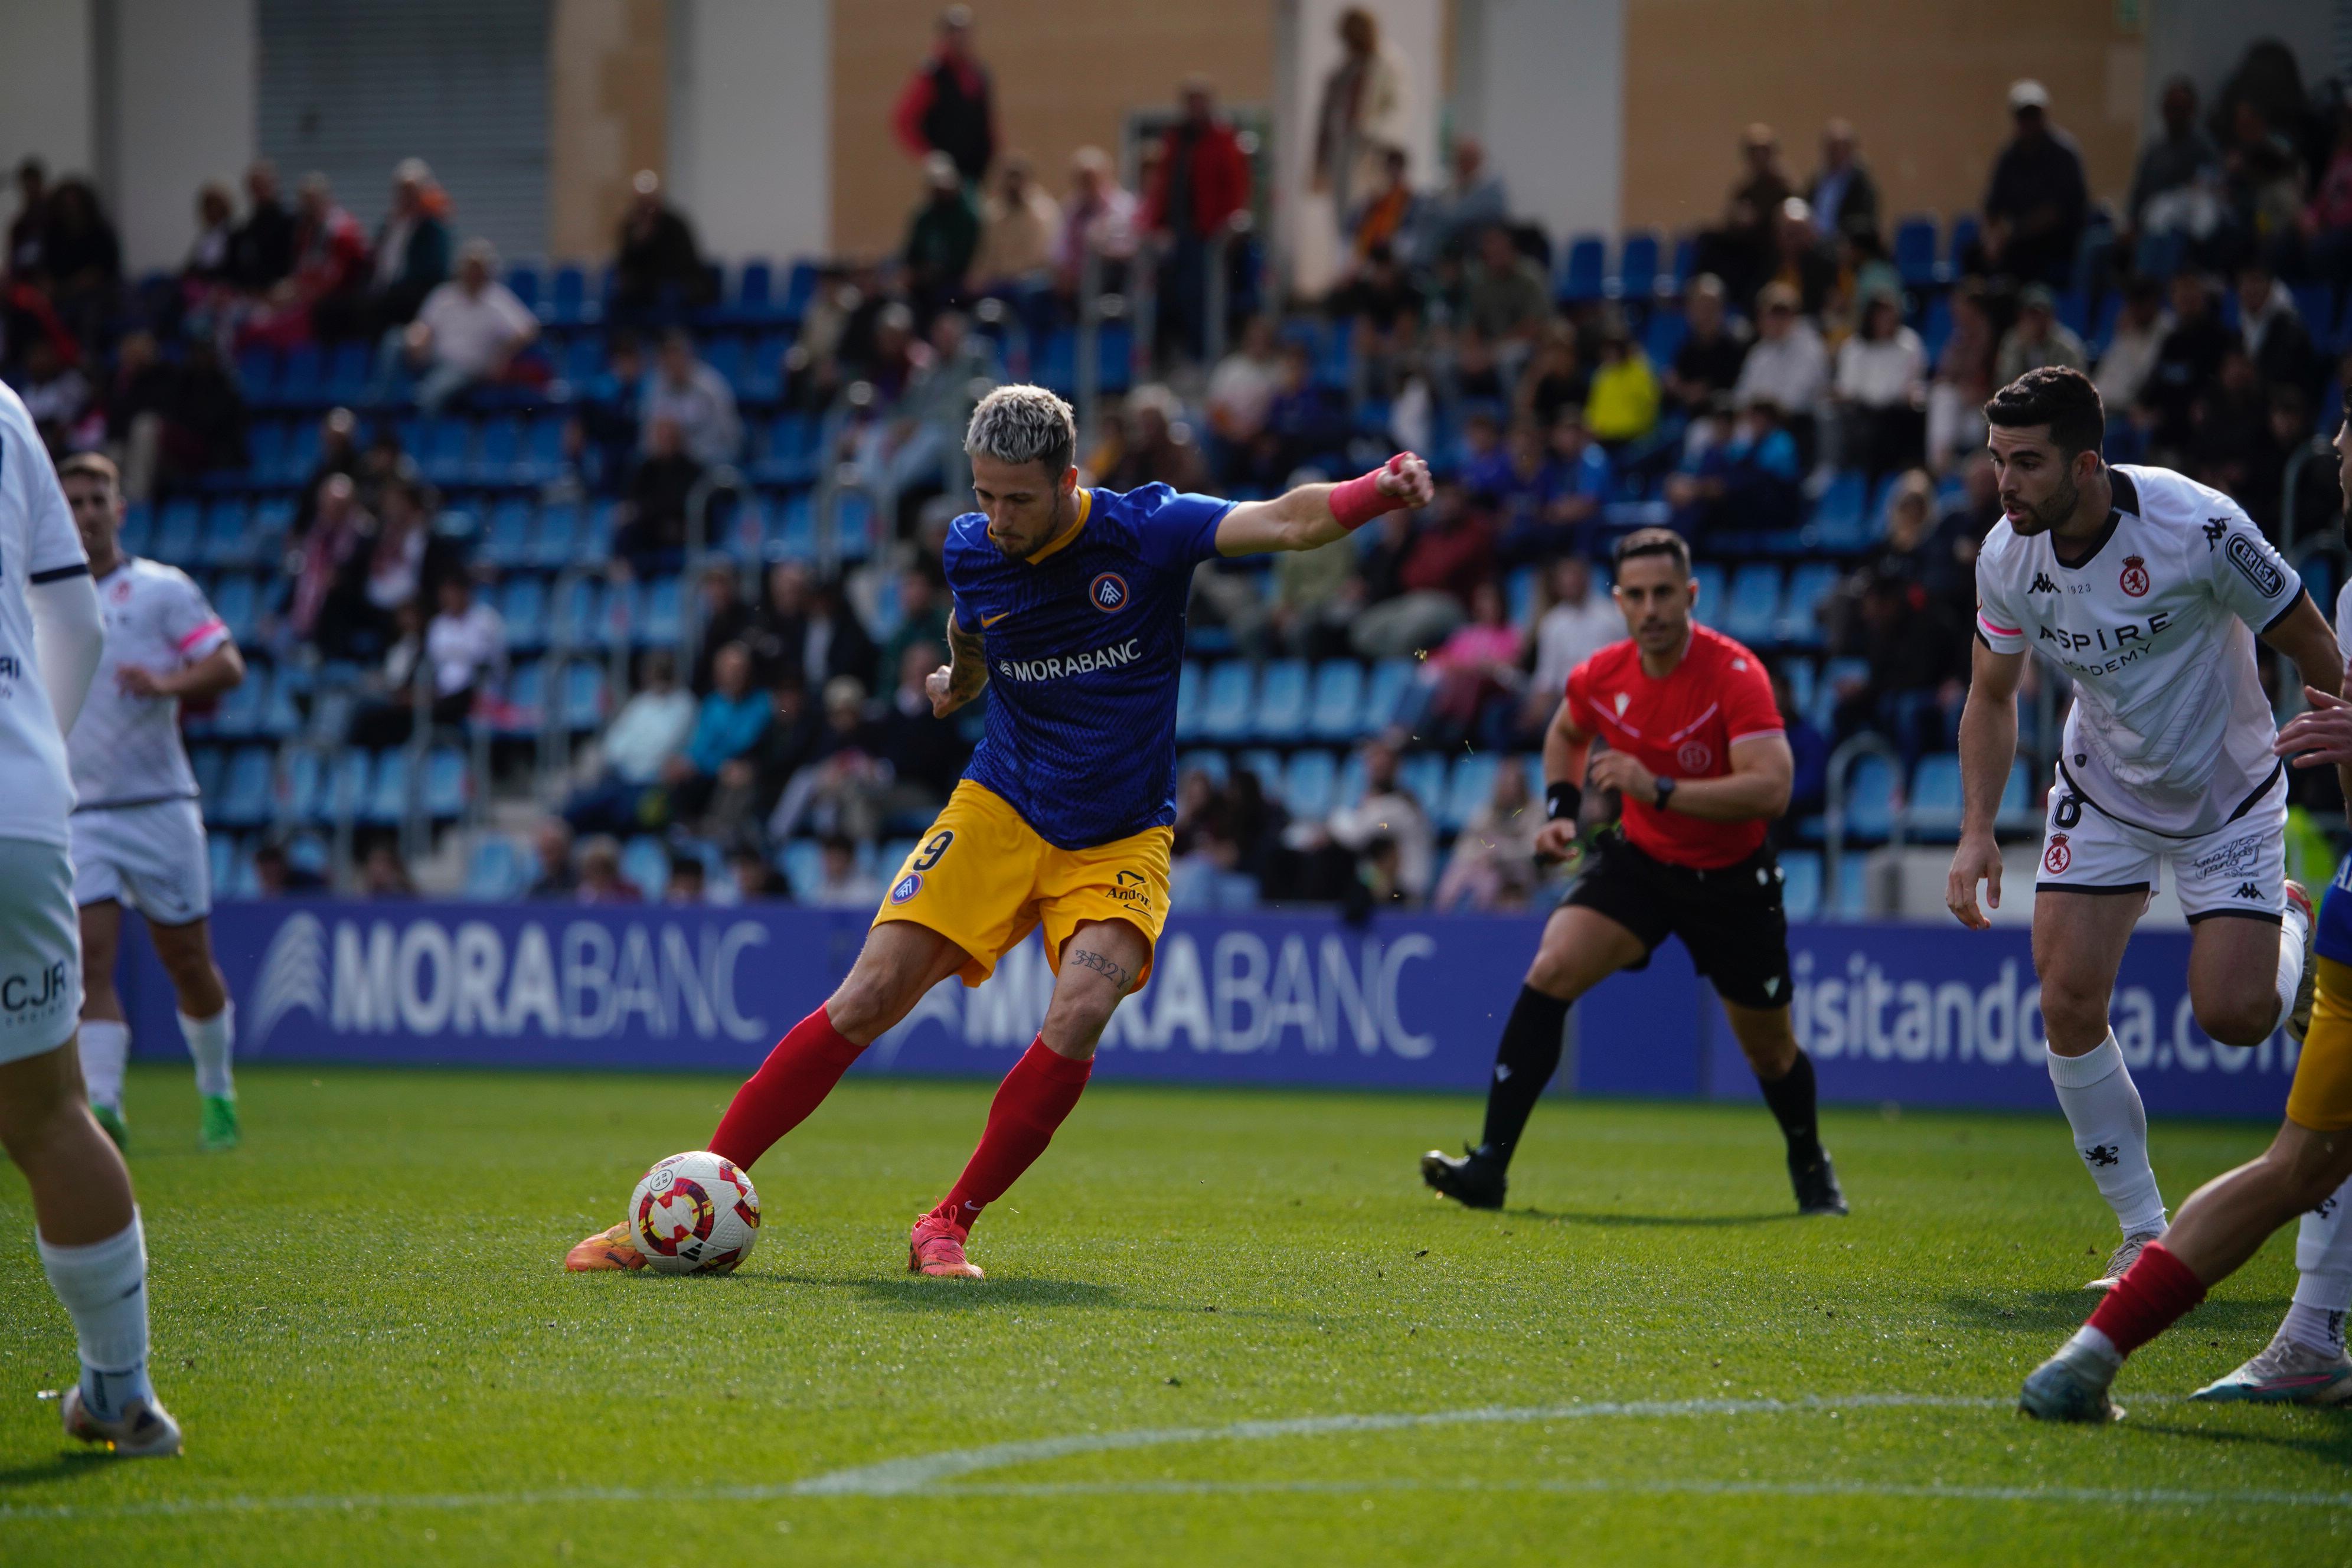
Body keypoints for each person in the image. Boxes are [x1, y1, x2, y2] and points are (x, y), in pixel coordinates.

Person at [566, 384, 1434, 1279]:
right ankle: (678, 1213)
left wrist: (1380, 487)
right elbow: (973, 626)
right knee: (866, 998)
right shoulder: (971, 548)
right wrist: (961, 677)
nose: (999, 517)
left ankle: (946, 1223)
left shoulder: (1147, 531)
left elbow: (1287, 522)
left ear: (1068, 479)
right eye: (984, 495)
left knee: (1083, 1010)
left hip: (1120, 835)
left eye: (1018, 498)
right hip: (1001, 807)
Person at [1947, 367, 2335, 1296]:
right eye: (1998, 459)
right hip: (2104, 788)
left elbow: (2316, 646)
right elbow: (1992, 696)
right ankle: (2142, 1233)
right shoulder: (2007, 556)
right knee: (2067, 999)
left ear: (2086, 463)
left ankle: (2289, 921)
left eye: (2028, 463)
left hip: (2228, 793)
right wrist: (1974, 830)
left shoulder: (2200, 526)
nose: (2005, 483)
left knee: (2234, 1016)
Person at [2018, 396, 2352, 1422]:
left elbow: (2306, 669)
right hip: (2323, 896)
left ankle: (2132, 1349)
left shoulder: (2201, 523)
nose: (2334, 461)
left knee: (2293, 1131)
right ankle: (2265, 1327)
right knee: (2302, 1156)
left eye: (2349, 448)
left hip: (2233, 803)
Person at [1420, 528, 1837, 1217]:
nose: (1651, 609)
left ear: (1691, 595)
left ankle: (1809, 1159)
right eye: (1637, 595)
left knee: (1769, 1051)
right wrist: (1558, 810)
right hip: (1643, 862)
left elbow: (1773, 789)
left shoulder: (1736, 674)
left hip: (1732, 878)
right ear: (1619, 602)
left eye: (1664, 593)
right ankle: (1490, 1165)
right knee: (1552, 968)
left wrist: (1659, 789)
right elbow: (1564, 733)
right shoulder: (1601, 674)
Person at [0, 380, 177, 1456]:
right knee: (51, 1112)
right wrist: (36, 768)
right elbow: (75, 619)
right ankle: (123, 1393)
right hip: (18, 804)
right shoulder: (8, 409)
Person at [53, 451, 246, 1154]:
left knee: (188, 963)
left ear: (119, 510)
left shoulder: (161, 589)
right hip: (81, 812)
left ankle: (216, 1087)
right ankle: (105, 1108)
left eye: (97, 500)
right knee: (90, 960)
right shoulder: (40, 596)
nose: (86, 514)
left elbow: (227, 664)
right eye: (72, 502)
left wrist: (167, 683)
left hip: (160, 803)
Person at [387, 239, 538, 412]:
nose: (473, 273)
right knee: (395, 340)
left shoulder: (497, 299)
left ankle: (423, 437)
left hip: (467, 368)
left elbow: (528, 330)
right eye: (470, 267)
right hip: (434, 359)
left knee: (430, 395)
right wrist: (417, 339)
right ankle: (384, 404)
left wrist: (502, 356)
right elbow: (423, 326)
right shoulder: (444, 295)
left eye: (478, 268)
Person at [1981, 80, 2089, 288]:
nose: (2028, 122)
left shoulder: (2064, 155)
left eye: (2033, 115)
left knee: (2022, 255)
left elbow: (2058, 211)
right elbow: (1992, 206)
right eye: (2023, 116)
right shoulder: (2009, 157)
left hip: (2059, 240)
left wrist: (2013, 232)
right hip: (2017, 239)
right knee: (1973, 255)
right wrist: (1990, 239)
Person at [891, 5, 997, 187]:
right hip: (944, 177)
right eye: (954, 32)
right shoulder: (933, 75)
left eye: (964, 32)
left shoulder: (979, 73)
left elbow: (987, 121)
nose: (960, 39)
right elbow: (904, 119)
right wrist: (929, 155)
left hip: (976, 171)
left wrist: (993, 154)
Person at [612, 169, 710, 321]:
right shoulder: (632, 226)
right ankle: (625, 341)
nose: (646, 206)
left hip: (673, 284)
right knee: (617, 299)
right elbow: (625, 263)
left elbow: (685, 262)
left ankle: (672, 340)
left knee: (669, 295)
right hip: (643, 286)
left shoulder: (675, 225)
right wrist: (638, 244)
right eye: (642, 201)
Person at [1804, 120, 1879, 243]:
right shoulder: (1818, 180)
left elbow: (1864, 219)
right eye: (1831, 148)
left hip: (1844, 244)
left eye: (1840, 148)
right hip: (1815, 243)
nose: (1835, 153)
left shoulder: (1861, 183)